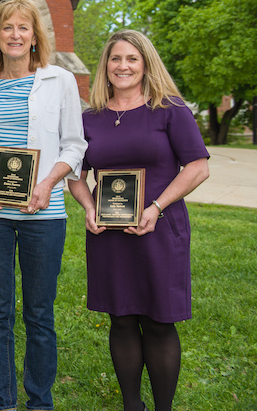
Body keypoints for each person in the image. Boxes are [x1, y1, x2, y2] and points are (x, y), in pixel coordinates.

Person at [0, 0, 87, 411]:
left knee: (39, 313)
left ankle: (40, 401)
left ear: (34, 37)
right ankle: (3, 402)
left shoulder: (60, 81)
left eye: (22, 28)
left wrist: (48, 183)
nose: (14, 35)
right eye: (7, 27)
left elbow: (74, 144)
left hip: (42, 214)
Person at [67, 30, 209, 411]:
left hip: (159, 229)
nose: (123, 66)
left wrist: (156, 207)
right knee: (122, 319)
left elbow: (197, 167)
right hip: (109, 234)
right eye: (116, 59)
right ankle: (133, 405)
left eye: (132, 58)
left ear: (145, 63)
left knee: (160, 321)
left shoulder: (170, 109)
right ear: (106, 66)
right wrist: (88, 206)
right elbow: (74, 176)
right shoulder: (90, 119)